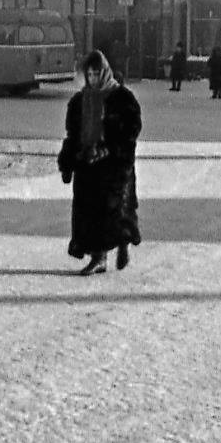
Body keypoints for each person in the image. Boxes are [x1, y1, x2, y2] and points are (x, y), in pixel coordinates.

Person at [57, 50, 142, 276]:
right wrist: (67, 161)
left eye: (97, 74)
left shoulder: (121, 98)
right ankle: (99, 256)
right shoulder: (79, 101)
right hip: (87, 163)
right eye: (90, 74)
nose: (93, 79)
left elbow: (131, 130)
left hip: (112, 165)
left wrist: (109, 148)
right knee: (88, 212)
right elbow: (72, 134)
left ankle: (120, 246)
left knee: (113, 210)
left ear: (105, 73)